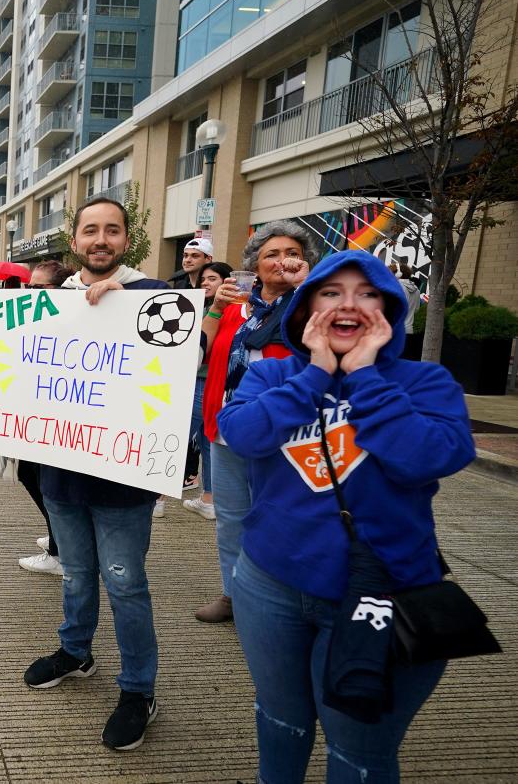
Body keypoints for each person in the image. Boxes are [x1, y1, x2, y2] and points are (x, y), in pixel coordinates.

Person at [217, 250, 473, 783]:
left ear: (389, 309)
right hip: (270, 586)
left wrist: (363, 376)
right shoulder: (275, 375)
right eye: (331, 292)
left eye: (366, 293)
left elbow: (427, 458)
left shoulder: (425, 383)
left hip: (384, 591)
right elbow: (239, 434)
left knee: (359, 750)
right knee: (280, 719)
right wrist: (314, 376)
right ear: (307, 307)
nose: (347, 305)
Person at [23, 195, 169, 752]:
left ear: (125, 238)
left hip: (123, 480)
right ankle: (76, 650)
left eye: (112, 230)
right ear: (75, 238)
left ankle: (139, 690)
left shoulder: (154, 295)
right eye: (90, 230)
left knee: (127, 585)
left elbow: (187, 355)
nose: (100, 240)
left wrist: (125, 306)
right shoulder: (49, 302)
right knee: (77, 574)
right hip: (62, 471)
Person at [196, 220, 318, 624]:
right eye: (272, 254)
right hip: (228, 430)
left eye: (293, 254)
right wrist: (215, 306)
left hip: (286, 434)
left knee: (284, 516)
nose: (283, 261)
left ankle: (284, 599)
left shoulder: (311, 306)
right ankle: (235, 595)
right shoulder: (236, 307)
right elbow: (200, 349)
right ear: (254, 265)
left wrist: (308, 287)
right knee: (231, 519)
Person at [15, 260, 75, 576]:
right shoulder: (36, 317)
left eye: (39, 288)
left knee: (45, 482)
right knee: (29, 474)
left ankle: (60, 551)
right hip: (37, 413)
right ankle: (58, 537)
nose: (31, 293)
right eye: (30, 287)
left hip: (60, 420)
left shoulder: (73, 320)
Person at [182, 261, 233, 521]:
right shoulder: (203, 308)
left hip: (205, 383)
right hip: (211, 385)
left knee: (178, 438)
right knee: (206, 442)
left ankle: (154, 499)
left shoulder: (225, 312)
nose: (205, 283)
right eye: (203, 279)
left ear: (228, 281)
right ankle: (209, 499)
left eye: (212, 279)